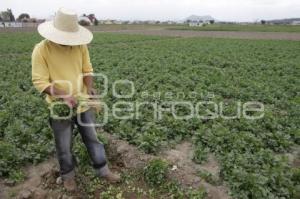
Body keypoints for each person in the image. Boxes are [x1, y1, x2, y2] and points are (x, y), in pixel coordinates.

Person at [31, 8, 120, 192]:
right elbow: (39, 81)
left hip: (82, 103)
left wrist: (89, 89)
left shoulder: (80, 46)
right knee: (63, 144)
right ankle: (68, 177)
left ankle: (103, 170)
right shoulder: (41, 50)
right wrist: (64, 96)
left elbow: (87, 70)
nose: (67, 43)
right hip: (59, 106)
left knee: (92, 138)